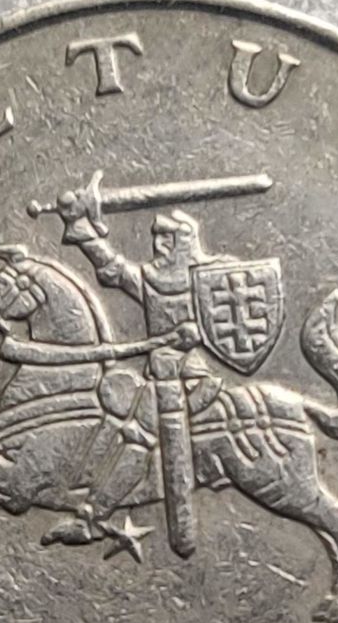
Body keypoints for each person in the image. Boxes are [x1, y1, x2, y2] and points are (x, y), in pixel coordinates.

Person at [41, 208, 226, 555]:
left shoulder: (207, 282)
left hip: (190, 381)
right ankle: (89, 506)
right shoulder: (154, 281)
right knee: (120, 420)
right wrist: (84, 233)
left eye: (166, 239)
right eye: (157, 238)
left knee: (137, 439)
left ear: (183, 244)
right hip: (159, 379)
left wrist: (195, 335)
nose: (157, 245)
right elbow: (114, 270)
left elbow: (224, 317)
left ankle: (92, 519)